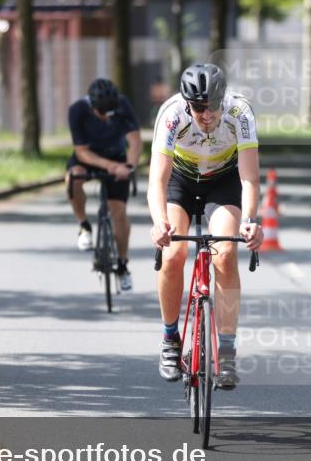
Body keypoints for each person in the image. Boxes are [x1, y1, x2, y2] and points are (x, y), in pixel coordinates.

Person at [148, 63, 263, 389]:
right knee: (172, 254)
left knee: (225, 253)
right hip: (181, 182)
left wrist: (251, 221)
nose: (207, 114)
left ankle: (226, 351)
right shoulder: (171, 115)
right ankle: (171, 341)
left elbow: (250, 177)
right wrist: (160, 223)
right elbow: (157, 179)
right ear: (187, 103)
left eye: (212, 105)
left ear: (221, 99)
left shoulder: (240, 112)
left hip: (223, 182)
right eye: (199, 107)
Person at [66, 78, 142, 290]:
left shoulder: (122, 104)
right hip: (88, 158)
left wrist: (129, 166)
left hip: (117, 158)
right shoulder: (77, 110)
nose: (108, 117)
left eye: (112, 113)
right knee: (73, 178)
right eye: (103, 113)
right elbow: (81, 151)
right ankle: (83, 226)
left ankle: (123, 264)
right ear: (92, 106)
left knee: (118, 211)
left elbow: (135, 140)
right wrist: (109, 166)